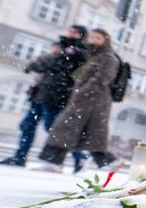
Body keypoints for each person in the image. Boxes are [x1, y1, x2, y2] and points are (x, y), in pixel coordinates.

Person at [0, 25, 89, 172]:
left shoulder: (80, 51)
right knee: (28, 125)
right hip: (41, 93)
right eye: (69, 31)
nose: (69, 33)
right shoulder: (63, 47)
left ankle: (79, 156)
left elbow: (62, 67)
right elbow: (39, 66)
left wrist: (57, 56)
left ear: (81, 35)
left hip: (56, 96)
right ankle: (20, 157)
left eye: (74, 32)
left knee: (54, 129)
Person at [38, 28, 121, 171]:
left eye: (98, 38)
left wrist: (82, 92)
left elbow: (102, 79)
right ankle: (108, 161)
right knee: (85, 133)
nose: (94, 41)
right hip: (85, 100)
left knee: (70, 129)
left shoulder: (108, 57)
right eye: (92, 37)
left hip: (94, 101)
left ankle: (54, 162)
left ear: (105, 41)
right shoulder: (94, 56)